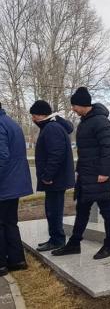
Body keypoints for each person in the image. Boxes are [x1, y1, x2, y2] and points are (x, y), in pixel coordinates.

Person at [52, 87, 110, 259]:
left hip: (99, 176)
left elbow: (109, 148)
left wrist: (104, 172)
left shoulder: (101, 121)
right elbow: (85, 151)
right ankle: (74, 243)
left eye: (74, 105)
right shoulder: (86, 121)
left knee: (107, 211)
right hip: (86, 175)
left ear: (82, 105)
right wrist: (78, 171)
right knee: (81, 210)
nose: (73, 109)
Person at [29, 100, 75, 252]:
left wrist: (48, 175)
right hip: (56, 179)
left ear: (41, 115)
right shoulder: (52, 126)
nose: (33, 119)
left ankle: (57, 240)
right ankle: (54, 238)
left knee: (53, 210)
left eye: (34, 115)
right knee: (52, 209)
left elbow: (56, 154)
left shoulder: (52, 128)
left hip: (55, 179)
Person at [0, 102, 33, 276]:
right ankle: (17, 260)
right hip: (13, 183)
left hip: (4, 185)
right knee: (10, 222)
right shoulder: (11, 123)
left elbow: (2, 156)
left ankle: (2, 265)